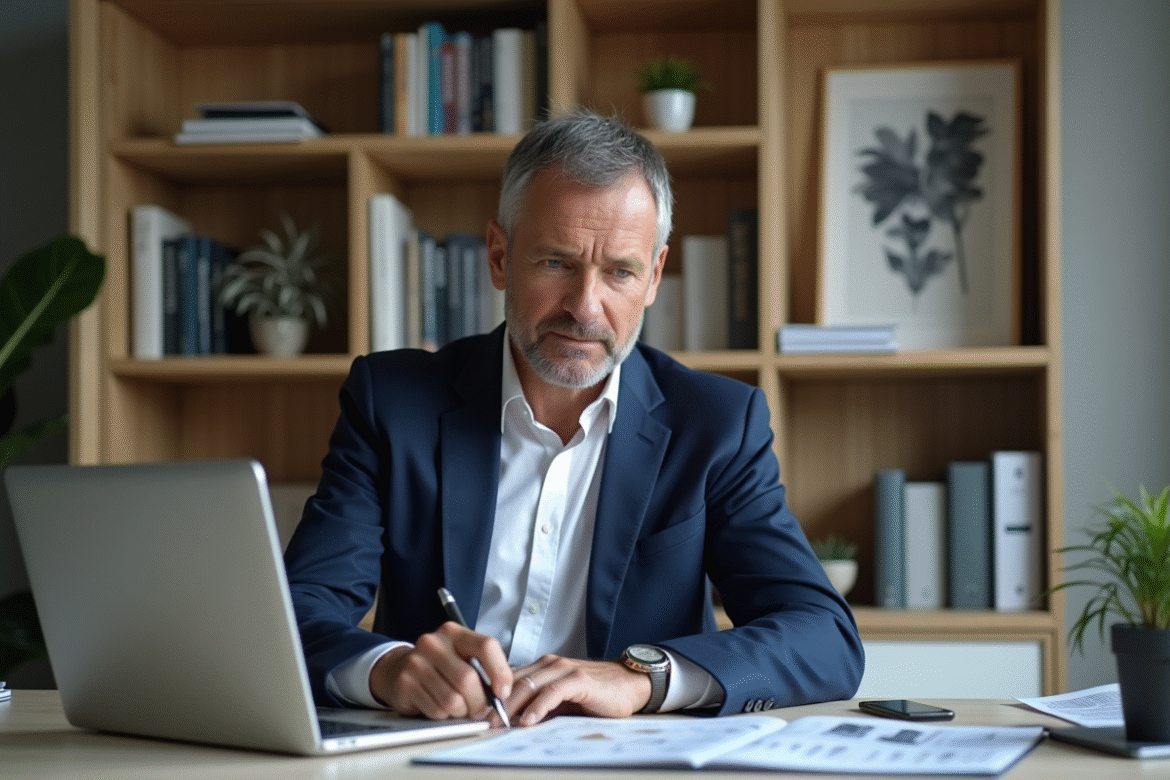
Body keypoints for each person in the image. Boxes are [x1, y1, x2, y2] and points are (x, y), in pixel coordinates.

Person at [284, 111, 863, 727]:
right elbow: (296, 609)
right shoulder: (394, 402)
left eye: (620, 271)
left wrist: (641, 677)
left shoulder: (716, 424)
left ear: (655, 276)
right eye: (556, 263)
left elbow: (824, 636)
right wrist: (386, 668)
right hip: (435, 755)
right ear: (501, 257)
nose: (585, 308)